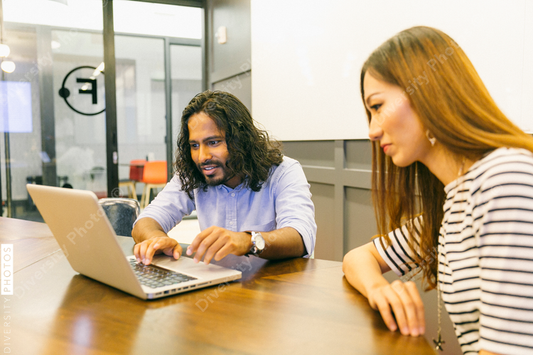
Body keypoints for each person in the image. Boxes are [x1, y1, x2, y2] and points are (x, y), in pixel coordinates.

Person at [342, 26, 533, 355]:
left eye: (377, 107)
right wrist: (379, 289)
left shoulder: (503, 179)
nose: (372, 131)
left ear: (427, 94)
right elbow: (357, 258)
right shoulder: (452, 199)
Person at [132, 90, 316, 267]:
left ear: (241, 140)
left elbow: (300, 237)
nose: (202, 156)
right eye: (194, 145)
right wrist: (157, 240)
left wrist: (248, 241)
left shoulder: (283, 171)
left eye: (213, 142)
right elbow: (144, 222)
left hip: (277, 287)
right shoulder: (194, 173)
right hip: (219, 286)